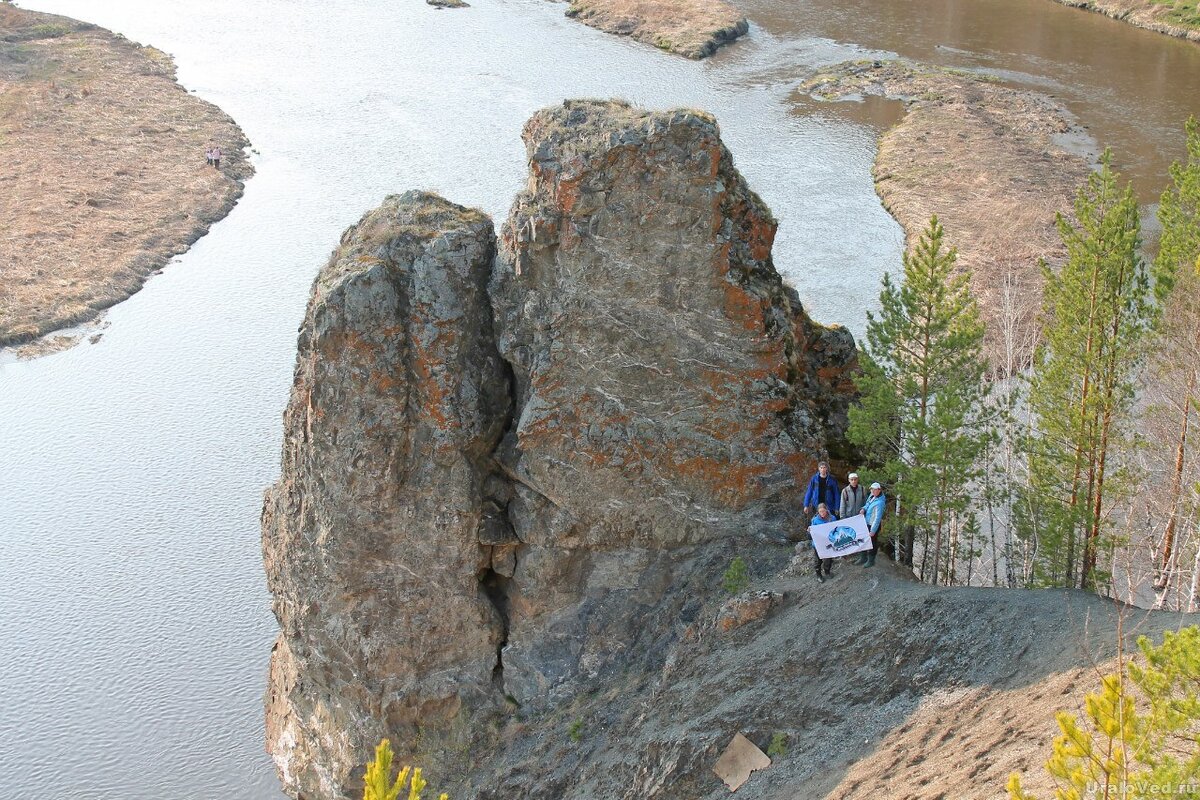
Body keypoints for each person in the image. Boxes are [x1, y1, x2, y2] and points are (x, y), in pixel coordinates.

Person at [856, 482, 887, 568]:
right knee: (863, 539)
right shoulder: (872, 496)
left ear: (879, 490)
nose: (872, 491)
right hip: (866, 522)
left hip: (872, 525)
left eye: (874, 489)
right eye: (871, 489)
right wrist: (863, 509)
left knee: (872, 542)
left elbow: (877, 519)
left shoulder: (880, 502)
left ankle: (871, 560)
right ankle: (863, 557)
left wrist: (873, 530)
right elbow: (867, 505)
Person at [810, 502, 838, 582]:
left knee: (828, 558)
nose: (822, 513)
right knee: (818, 560)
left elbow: (836, 528)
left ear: (826, 510)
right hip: (818, 544)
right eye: (820, 511)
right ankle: (818, 575)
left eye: (823, 511)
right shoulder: (815, 520)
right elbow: (812, 533)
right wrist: (809, 531)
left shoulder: (832, 518)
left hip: (828, 542)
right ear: (818, 512)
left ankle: (827, 572)